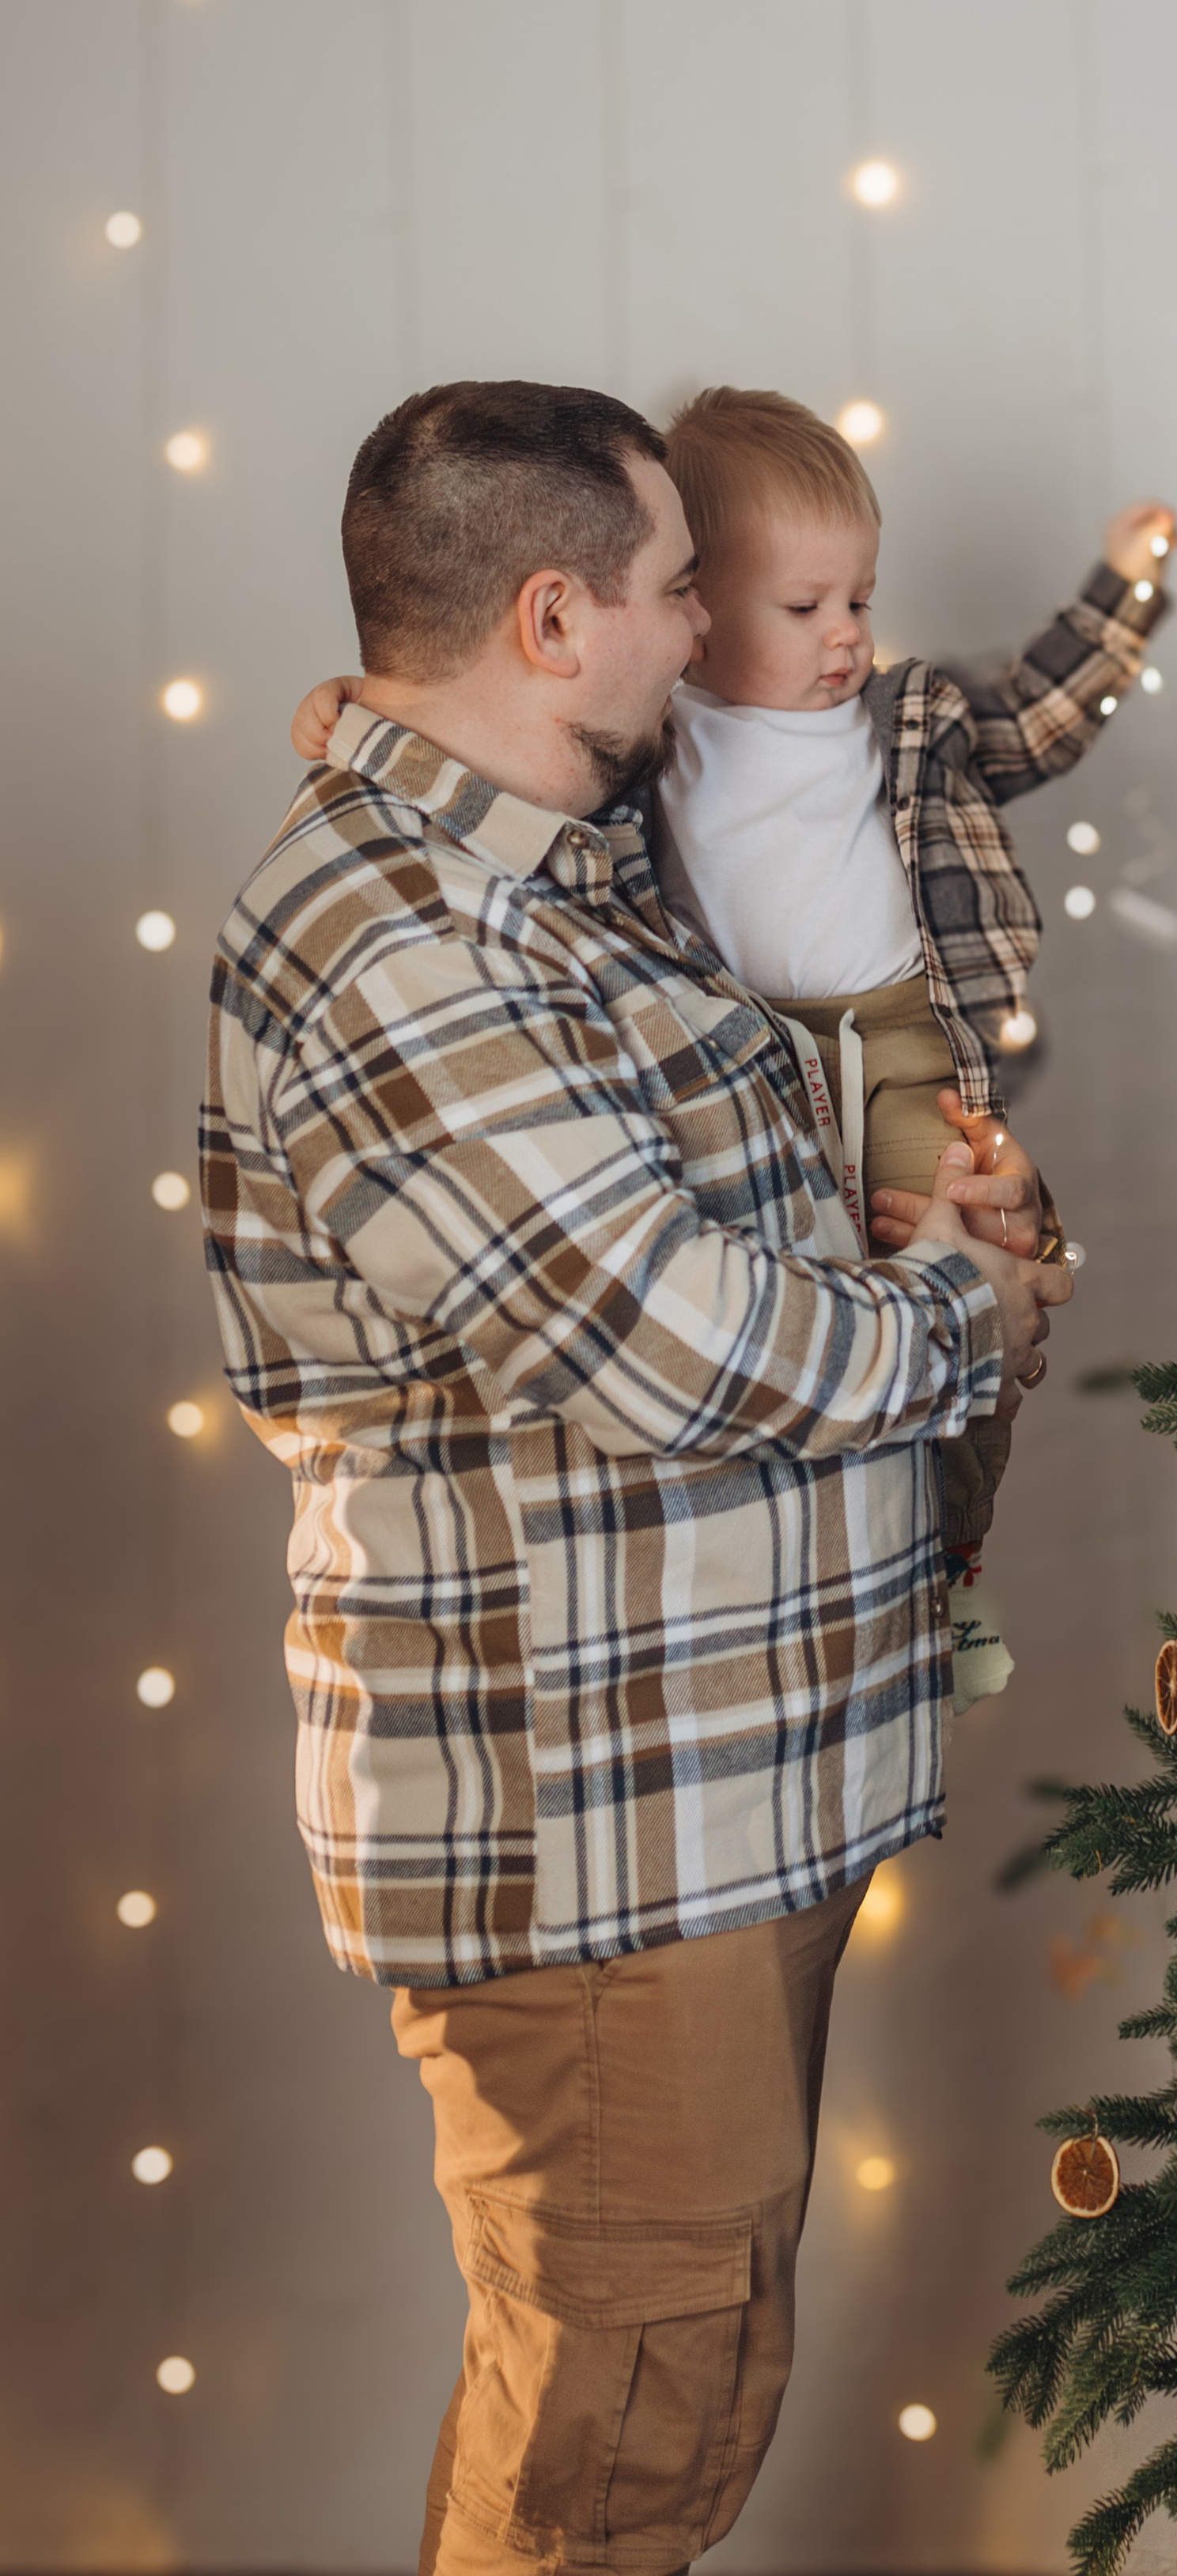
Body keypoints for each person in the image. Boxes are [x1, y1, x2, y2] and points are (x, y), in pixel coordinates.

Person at [206, 379, 1073, 2576]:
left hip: (715, 1798)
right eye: (682, 589)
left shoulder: (578, 875)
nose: (710, 631)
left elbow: (751, 1218)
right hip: (597, 1842)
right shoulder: (406, 938)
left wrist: (936, 1224)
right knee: (622, 2427)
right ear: (553, 614)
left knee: (668, 2385)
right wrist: (960, 1315)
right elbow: (668, 1344)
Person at [295, 385, 1177, 1708]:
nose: (846, 635)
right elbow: (482, 749)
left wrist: (1124, 592)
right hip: (754, 1055)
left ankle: (952, 1564)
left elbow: (1040, 708)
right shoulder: (646, 743)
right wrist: (360, 704)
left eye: (860, 599)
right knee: (828, 1290)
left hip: (898, 1038)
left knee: (976, 1261)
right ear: (696, 608)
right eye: (800, 605)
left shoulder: (905, 721)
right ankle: (880, 1579)